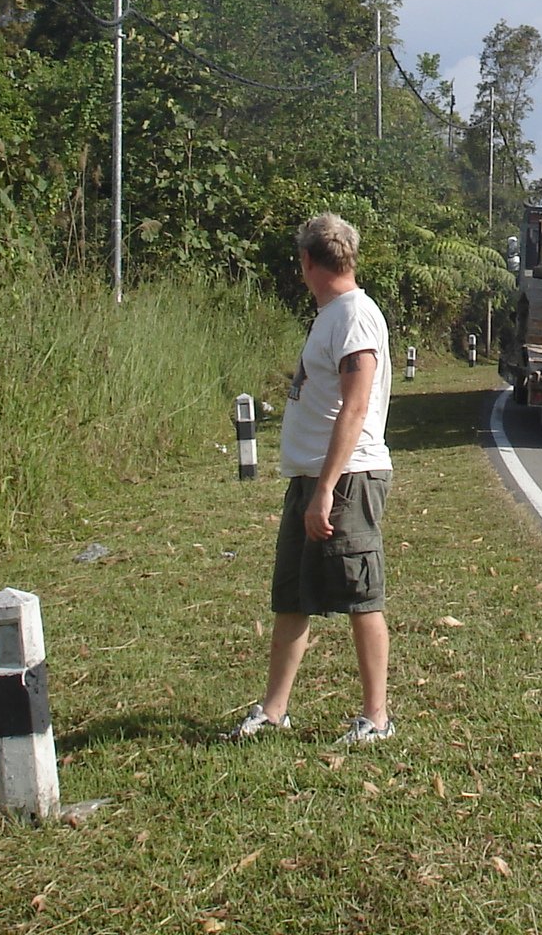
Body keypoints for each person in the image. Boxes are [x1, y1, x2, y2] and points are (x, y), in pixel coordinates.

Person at [229, 212, 395, 744]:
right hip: (311, 479)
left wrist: (326, 489)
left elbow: (356, 407)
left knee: (360, 594)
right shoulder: (331, 314)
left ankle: (376, 718)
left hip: (346, 479)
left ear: (306, 261)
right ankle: (273, 710)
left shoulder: (353, 316)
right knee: (292, 597)